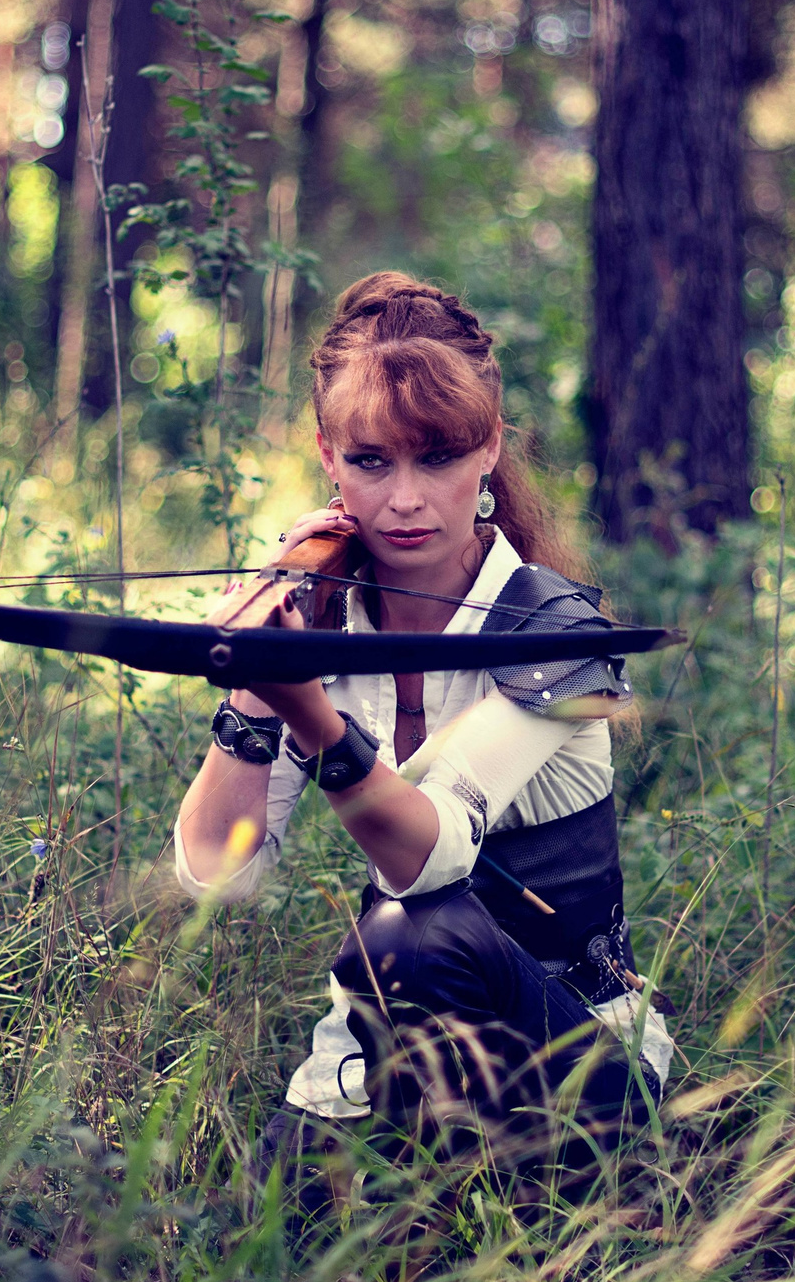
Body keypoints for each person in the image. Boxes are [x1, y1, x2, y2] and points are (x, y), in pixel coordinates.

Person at [171, 272, 674, 1190]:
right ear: (328, 457)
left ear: (487, 448)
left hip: (577, 1059)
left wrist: (305, 707)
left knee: (415, 934)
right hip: (381, 1041)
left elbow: (430, 863)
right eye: (371, 461)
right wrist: (253, 687)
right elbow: (219, 874)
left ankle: (539, 1203)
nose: (404, 499)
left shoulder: (553, 628)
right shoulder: (323, 619)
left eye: (436, 457)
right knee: (257, 1251)